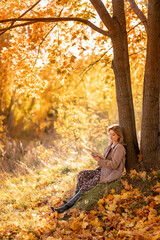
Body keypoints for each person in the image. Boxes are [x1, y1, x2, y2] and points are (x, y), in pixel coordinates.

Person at [51, 124, 126, 213]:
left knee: (86, 185)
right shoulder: (110, 145)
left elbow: (114, 164)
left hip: (110, 173)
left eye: (113, 134)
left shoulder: (119, 148)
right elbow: (105, 160)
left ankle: (66, 206)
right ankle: (76, 198)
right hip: (103, 171)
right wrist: (97, 157)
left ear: (119, 136)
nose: (111, 136)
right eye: (109, 134)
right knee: (82, 174)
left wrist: (100, 161)